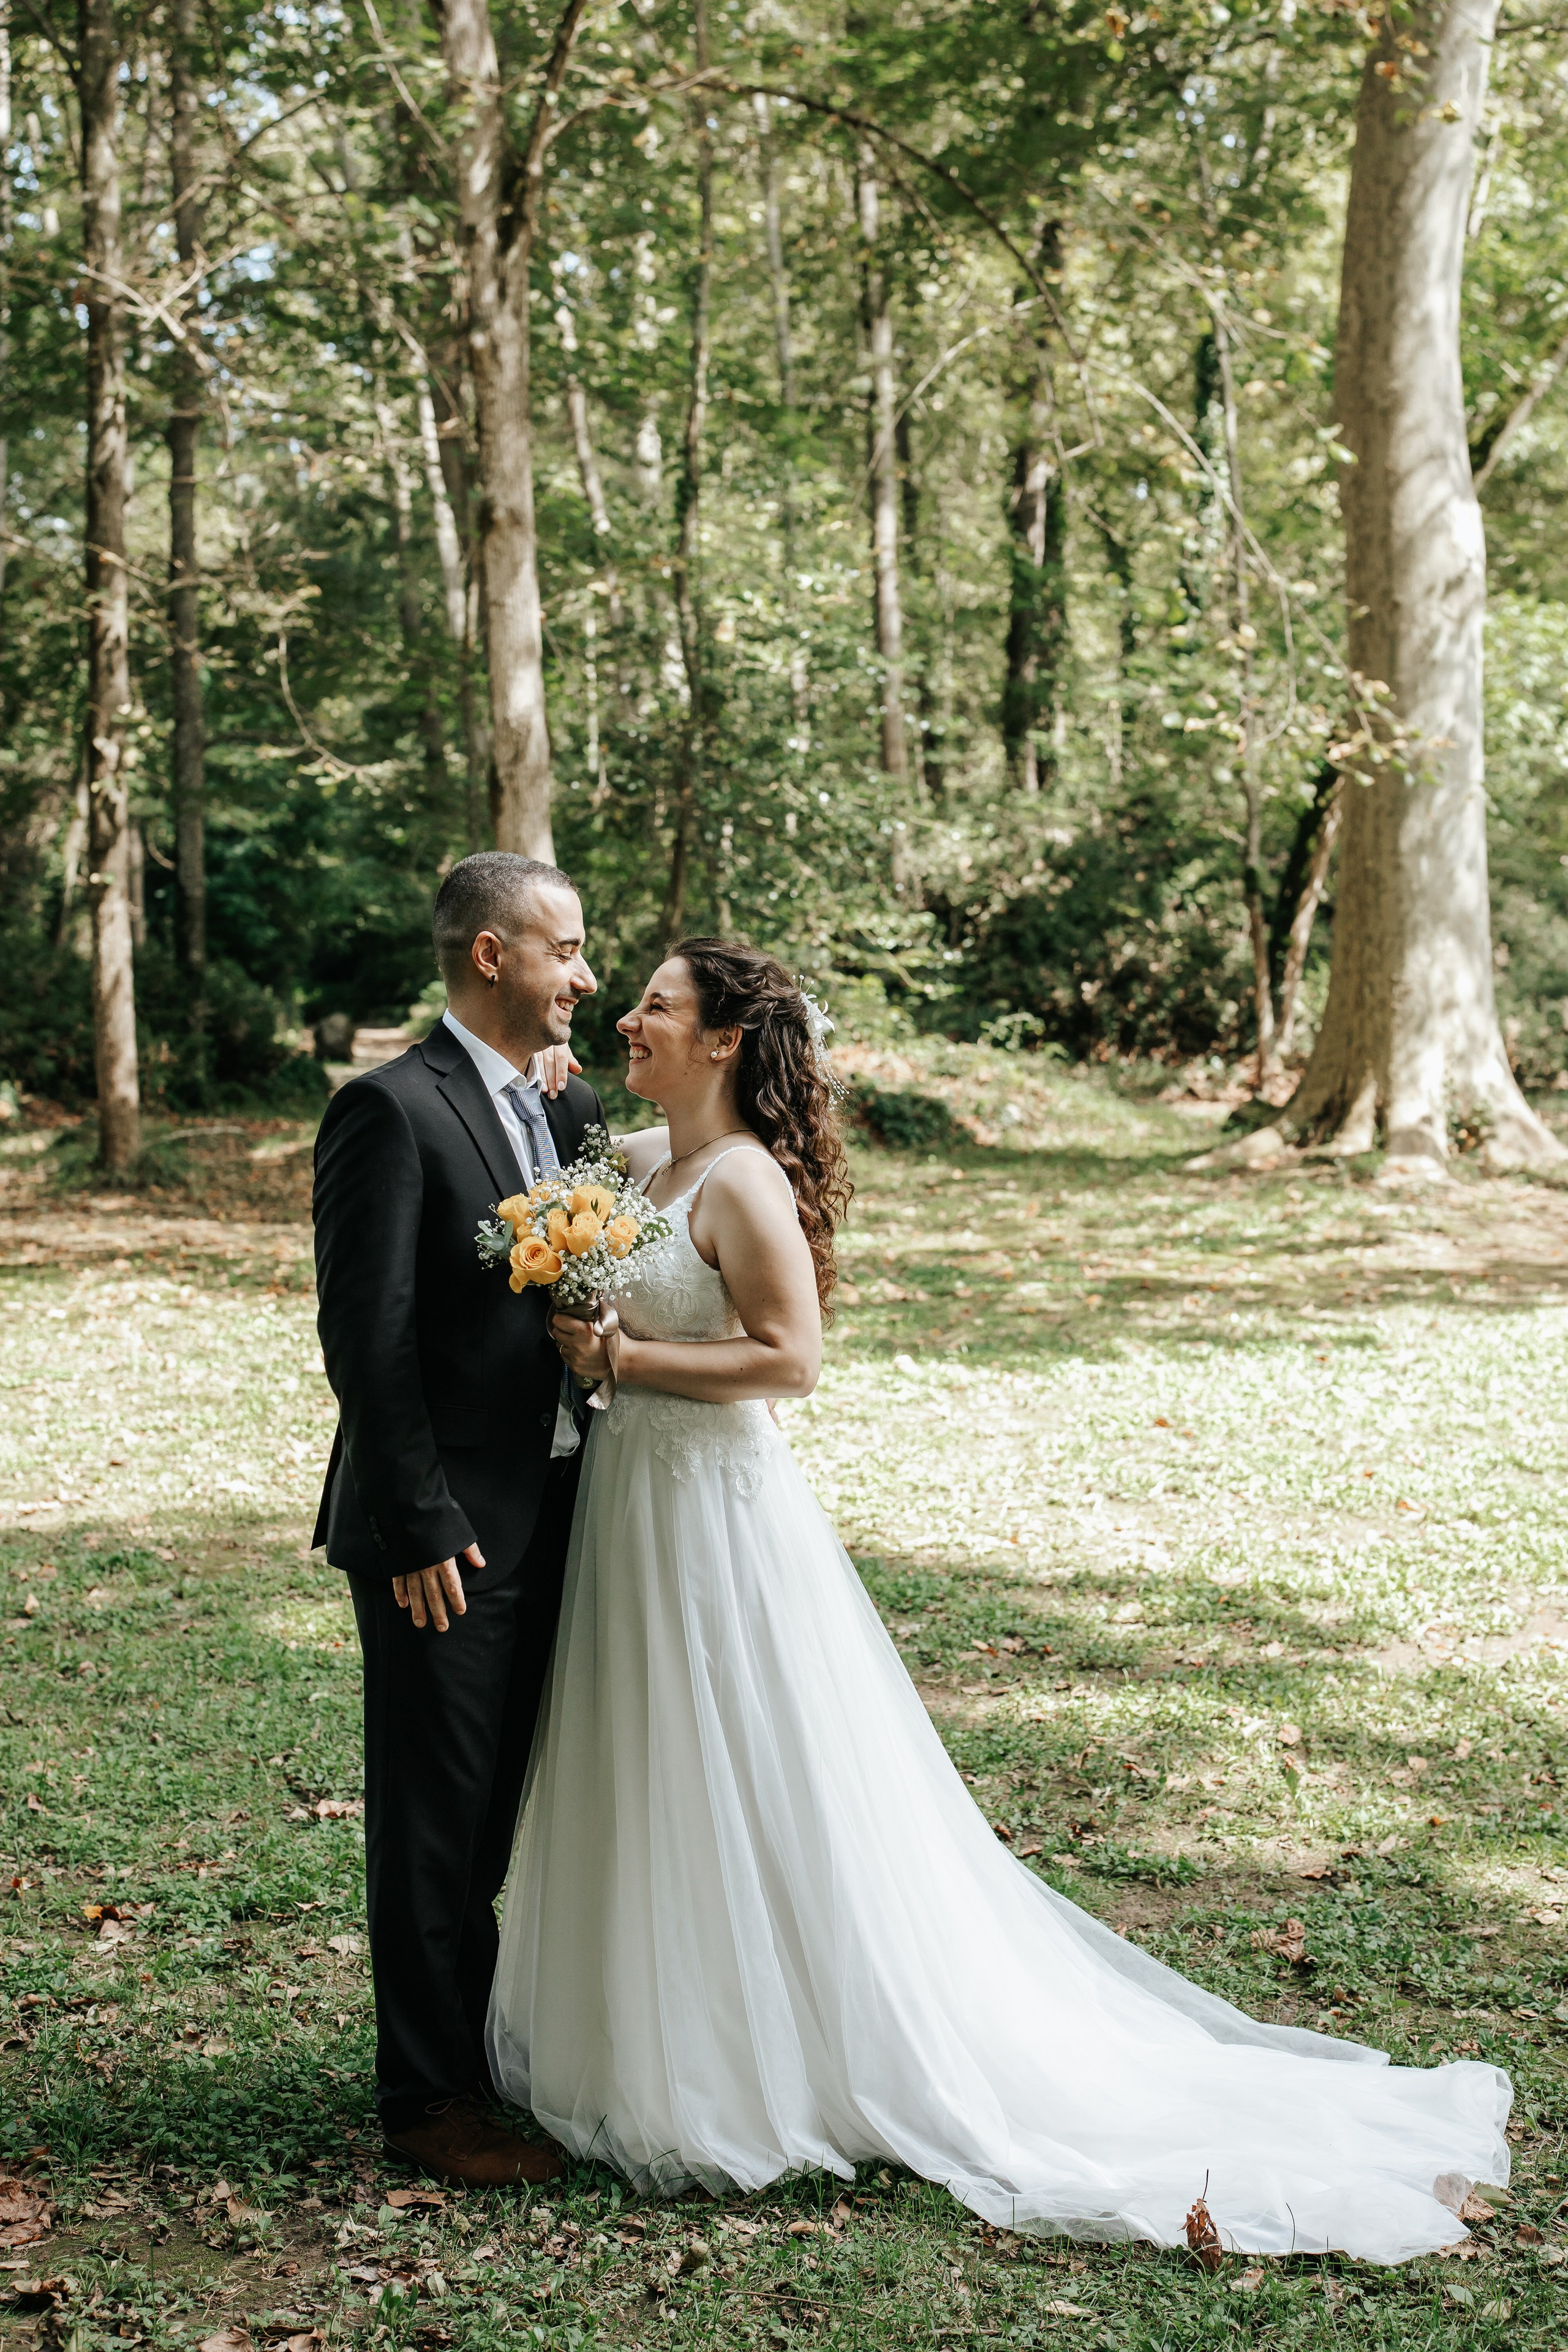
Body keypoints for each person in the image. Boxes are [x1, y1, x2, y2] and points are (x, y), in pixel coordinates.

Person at [488, 936, 1510, 2262]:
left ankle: (779, 2055)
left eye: (657, 1007)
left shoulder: (739, 1182)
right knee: (641, 1753)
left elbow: (788, 1360)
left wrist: (625, 1352)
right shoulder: (634, 1165)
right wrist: (550, 1092)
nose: (630, 1015)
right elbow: (556, 1178)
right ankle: (640, 2028)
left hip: (711, 1512)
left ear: (725, 1039)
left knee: (742, 1756)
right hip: (626, 1505)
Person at [312, 852, 601, 2187]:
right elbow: (366, 1339)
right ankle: (426, 2103)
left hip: (558, 1505)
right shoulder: (387, 1109)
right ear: (491, 955)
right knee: (435, 1813)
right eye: (566, 950)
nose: (583, 977)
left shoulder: (564, 1107)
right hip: (449, 1532)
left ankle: (478, 2050)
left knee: (494, 1811)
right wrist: (418, 1521)